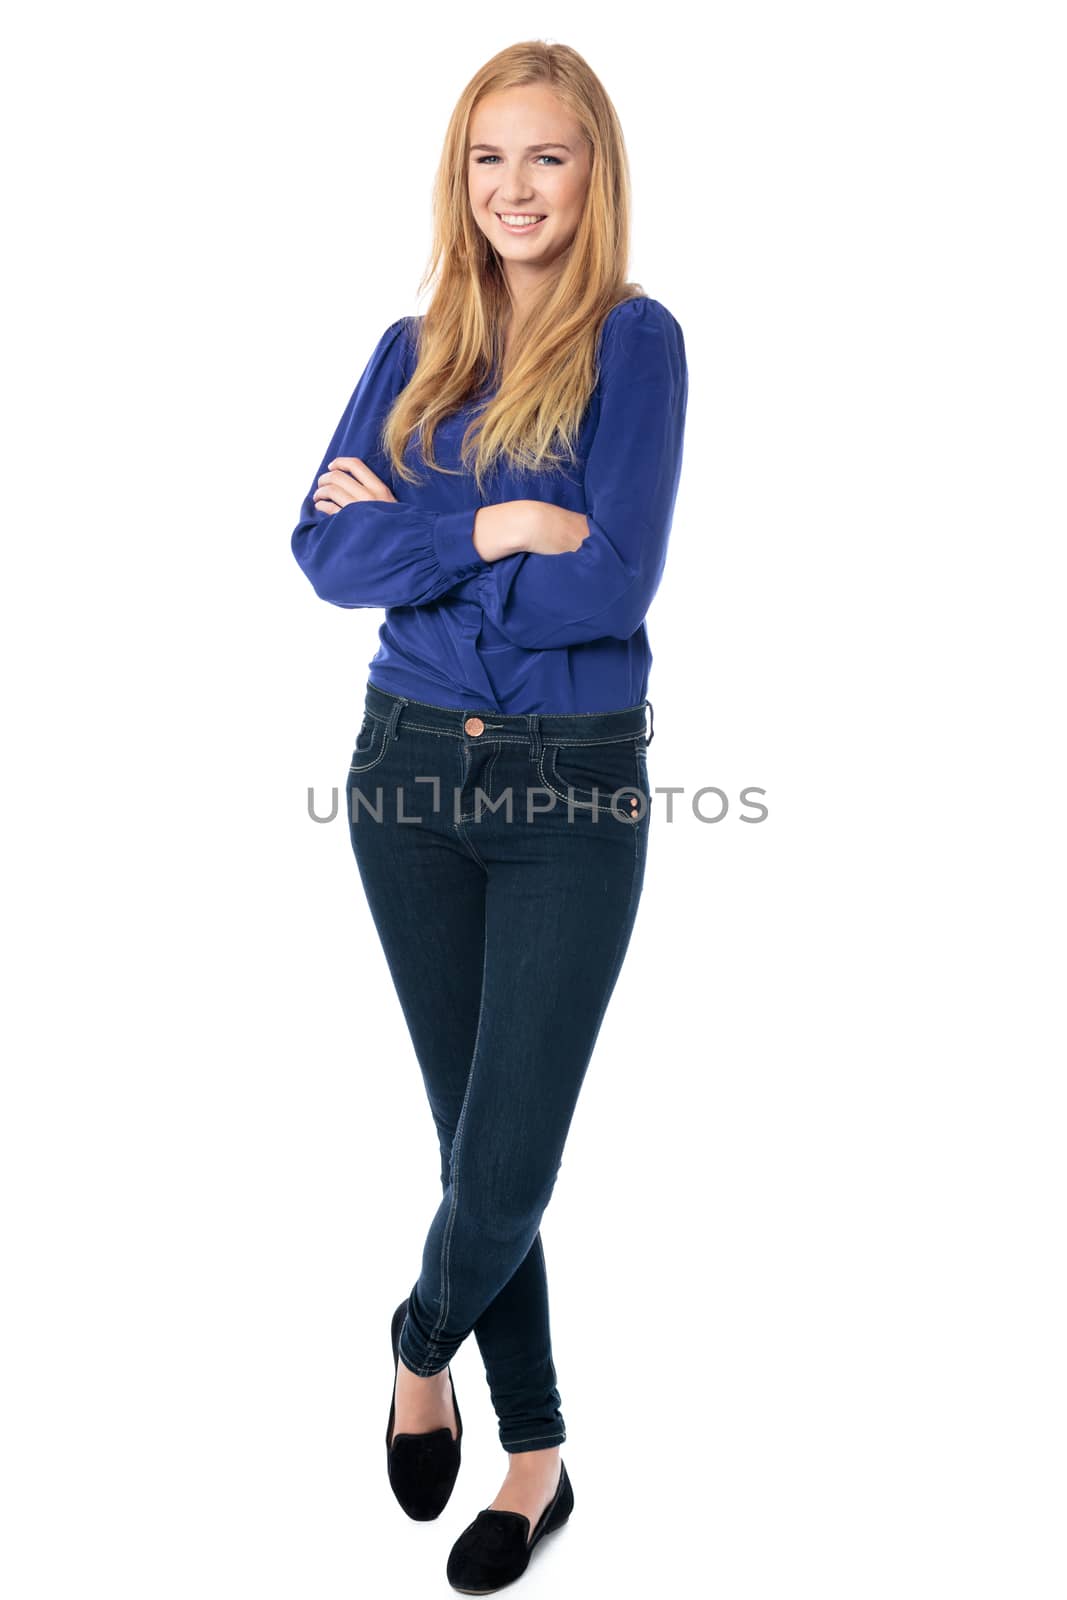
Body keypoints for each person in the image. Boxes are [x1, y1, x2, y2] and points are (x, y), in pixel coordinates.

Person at [290, 39, 688, 1593]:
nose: (516, 189)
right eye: (488, 160)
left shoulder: (637, 345)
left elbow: (618, 583)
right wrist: (511, 521)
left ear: (594, 177)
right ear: (460, 180)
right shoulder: (412, 350)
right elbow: (319, 560)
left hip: (568, 784)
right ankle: (538, 1458)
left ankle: (414, 1339)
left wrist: (423, 543)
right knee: (470, 1140)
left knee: (508, 1155)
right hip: (401, 779)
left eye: (549, 158)